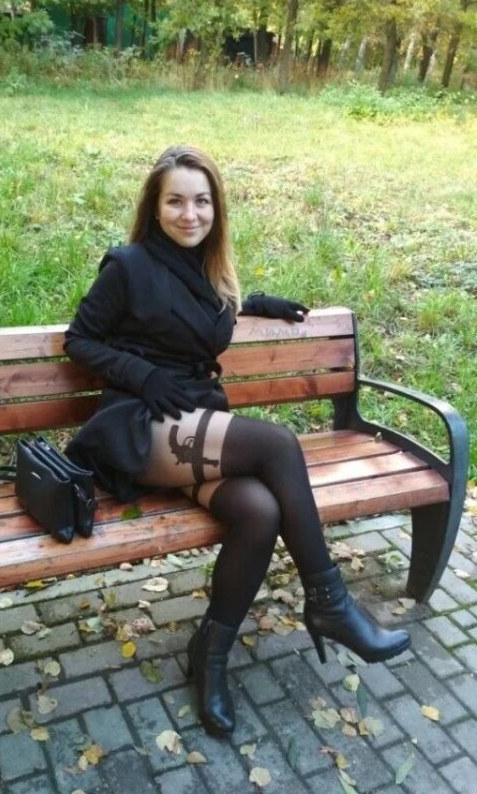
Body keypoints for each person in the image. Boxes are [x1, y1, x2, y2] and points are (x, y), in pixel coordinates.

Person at [64, 145, 410, 737]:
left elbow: (183, 307)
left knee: (259, 511)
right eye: (175, 201)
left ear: (215, 208)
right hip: (139, 426)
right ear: (155, 207)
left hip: (191, 425)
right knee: (277, 445)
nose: (189, 214)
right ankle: (330, 604)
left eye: (201, 201)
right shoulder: (126, 265)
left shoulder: (208, 270)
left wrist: (248, 304)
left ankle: (210, 654)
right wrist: (141, 375)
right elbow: (80, 340)